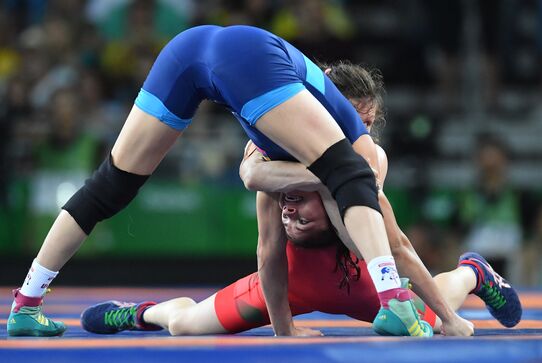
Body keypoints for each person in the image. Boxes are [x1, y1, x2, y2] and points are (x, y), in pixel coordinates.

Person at [6, 26, 463, 337]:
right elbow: (378, 232)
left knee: (111, 184)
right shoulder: (357, 148)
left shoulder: (279, 143)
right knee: (351, 173)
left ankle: (26, 303)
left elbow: (257, 178)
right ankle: (395, 302)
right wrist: (415, 306)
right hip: (248, 58)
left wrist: (267, 175)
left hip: (191, 50)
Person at [80, 121, 520, 336]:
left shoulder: (354, 172)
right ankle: (140, 313)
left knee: (433, 314)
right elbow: (268, 253)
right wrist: (283, 328)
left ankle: (472, 273)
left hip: (361, 282)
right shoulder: (270, 170)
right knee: (184, 327)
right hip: (291, 282)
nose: (291, 210)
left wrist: (449, 317)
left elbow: (399, 248)